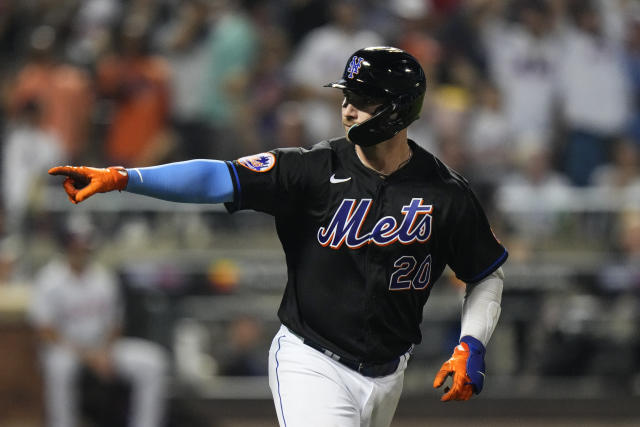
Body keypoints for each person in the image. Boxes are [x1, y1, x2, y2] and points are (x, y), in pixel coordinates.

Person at [49, 46, 507, 427]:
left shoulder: (445, 193)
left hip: (390, 373)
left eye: (363, 99)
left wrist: (472, 341)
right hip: (312, 361)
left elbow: (485, 273)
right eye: (347, 95)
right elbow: (217, 178)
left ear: (400, 108)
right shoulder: (311, 169)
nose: (348, 107)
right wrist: (124, 177)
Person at [29, 215, 169, 427]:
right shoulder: (49, 279)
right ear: (66, 244)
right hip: (66, 348)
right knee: (58, 368)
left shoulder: (103, 277)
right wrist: (87, 356)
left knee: (153, 361)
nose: (82, 246)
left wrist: (104, 352)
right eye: (77, 241)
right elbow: (45, 330)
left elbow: (115, 324)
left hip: (102, 347)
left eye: (86, 241)